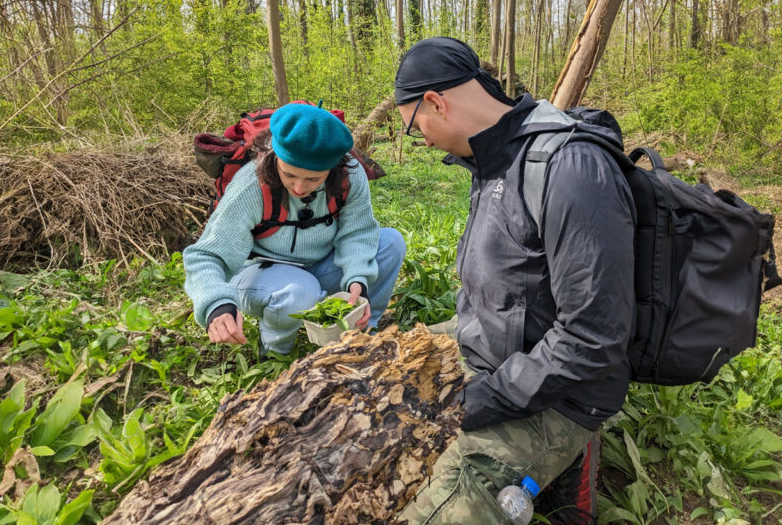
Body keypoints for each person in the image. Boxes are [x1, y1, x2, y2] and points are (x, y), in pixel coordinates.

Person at [394, 37, 636, 523]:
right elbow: (504, 294)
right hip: (497, 366)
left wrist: (473, 403)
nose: (417, 138)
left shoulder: (569, 168)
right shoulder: (491, 161)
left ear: (436, 102)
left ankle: (572, 456)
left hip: (561, 397)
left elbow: (593, 338)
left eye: (412, 125)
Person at [184, 102, 406, 353]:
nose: (299, 188)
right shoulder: (252, 184)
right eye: (289, 175)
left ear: (332, 169)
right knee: (300, 291)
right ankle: (276, 355)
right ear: (275, 158)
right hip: (261, 274)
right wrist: (217, 304)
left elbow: (358, 232)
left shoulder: (350, 176)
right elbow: (206, 255)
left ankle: (364, 336)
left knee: (390, 243)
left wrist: (359, 280)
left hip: (318, 266)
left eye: (313, 179)